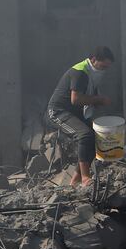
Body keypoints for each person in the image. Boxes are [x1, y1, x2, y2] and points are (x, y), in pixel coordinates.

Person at [46, 47, 115, 186]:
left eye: (107, 68)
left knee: (97, 138)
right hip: (58, 112)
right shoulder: (80, 72)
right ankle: (85, 177)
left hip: (73, 113)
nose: (104, 70)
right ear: (93, 60)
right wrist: (99, 99)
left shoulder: (91, 74)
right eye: (103, 66)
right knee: (85, 135)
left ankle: (76, 179)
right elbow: (75, 99)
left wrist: (96, 101)